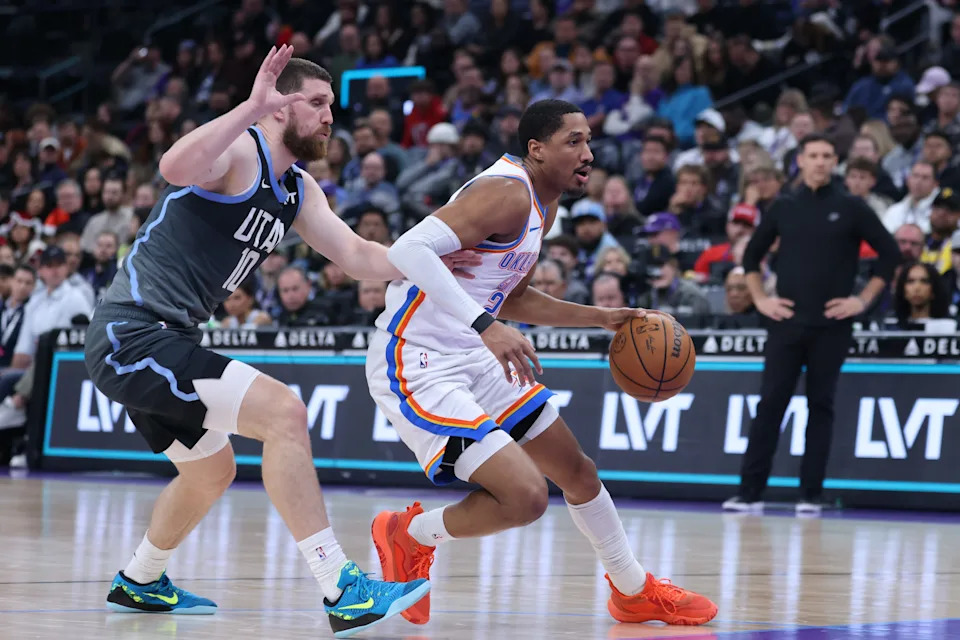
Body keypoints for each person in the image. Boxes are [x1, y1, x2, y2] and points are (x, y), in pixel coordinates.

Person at [82, 47, 480, 637]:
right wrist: (249, 108)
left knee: (211, 470)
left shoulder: (296, 188)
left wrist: (436, 259)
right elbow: (171, 168)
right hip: (133, 333)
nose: (329, 117)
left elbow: (357, 256)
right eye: (317, 104)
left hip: (163, 340)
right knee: (284, 413)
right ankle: (341, 586)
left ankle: (141, 579)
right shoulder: (240, 152)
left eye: (331, 107)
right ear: (278, 107)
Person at [365, 100, 717, 628]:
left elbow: (510, 296)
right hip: (419, 359)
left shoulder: (542, 205)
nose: (588, 153)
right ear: (536, 149)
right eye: (573, 141)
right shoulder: (506, 192)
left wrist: (601, 318)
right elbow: (409, 251)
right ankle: (408, 535)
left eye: (589, 140)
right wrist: (485, 326)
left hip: (475, 355)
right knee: (526, 497)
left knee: (576, 471)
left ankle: (632, 589)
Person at [725, 134, 900, 515]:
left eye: (826, 156)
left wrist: (862, 300)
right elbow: (752, 257)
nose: (820, 162)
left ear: (834, 160)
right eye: (813, 156)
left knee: (821, 404)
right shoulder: (784, 206)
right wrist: (761, 299)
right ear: (800, 161)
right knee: (771, 403)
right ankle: (750, 492)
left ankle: (810, 494)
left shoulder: (852, 206)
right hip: (786, 323)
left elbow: (890, 255)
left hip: (832, 325)